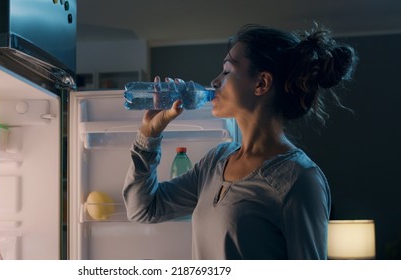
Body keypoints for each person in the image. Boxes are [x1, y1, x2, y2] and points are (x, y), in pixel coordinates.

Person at [122, 24, 358, 260]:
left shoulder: (299, 178)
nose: (214, 82)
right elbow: (143, 208)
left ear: (261, 83)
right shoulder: (216, 161)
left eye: (226, 71)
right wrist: (149, 133)